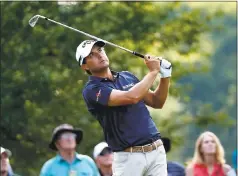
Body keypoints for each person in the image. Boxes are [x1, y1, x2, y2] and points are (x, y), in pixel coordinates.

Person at [75, 40, 172, 175]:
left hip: (156, 151)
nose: (99, 55)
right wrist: (153, 71)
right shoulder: (92, 90)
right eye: (91, 55)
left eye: (100, 50)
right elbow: (131, 97)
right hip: (128, 157)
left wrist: (165, 76)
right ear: (84, 66)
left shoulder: (127, 77)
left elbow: (157, 102)